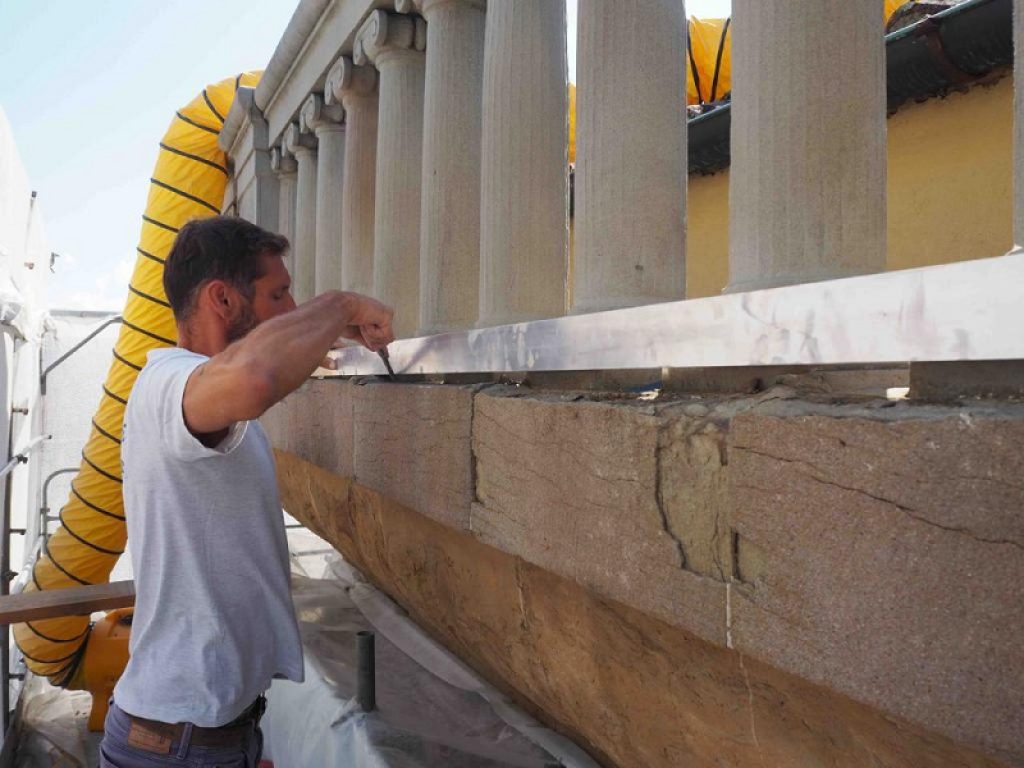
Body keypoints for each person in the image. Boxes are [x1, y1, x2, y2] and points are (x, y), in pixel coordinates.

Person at [99, 216, 394, 767]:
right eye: (277, 294)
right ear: (222, 299)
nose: (290, 307)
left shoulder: (195, 391)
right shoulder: (170, 385)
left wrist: (318, 332)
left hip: (210, 735)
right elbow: (255, 379)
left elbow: (260, 368)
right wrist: (339, 306)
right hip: (179, 746)